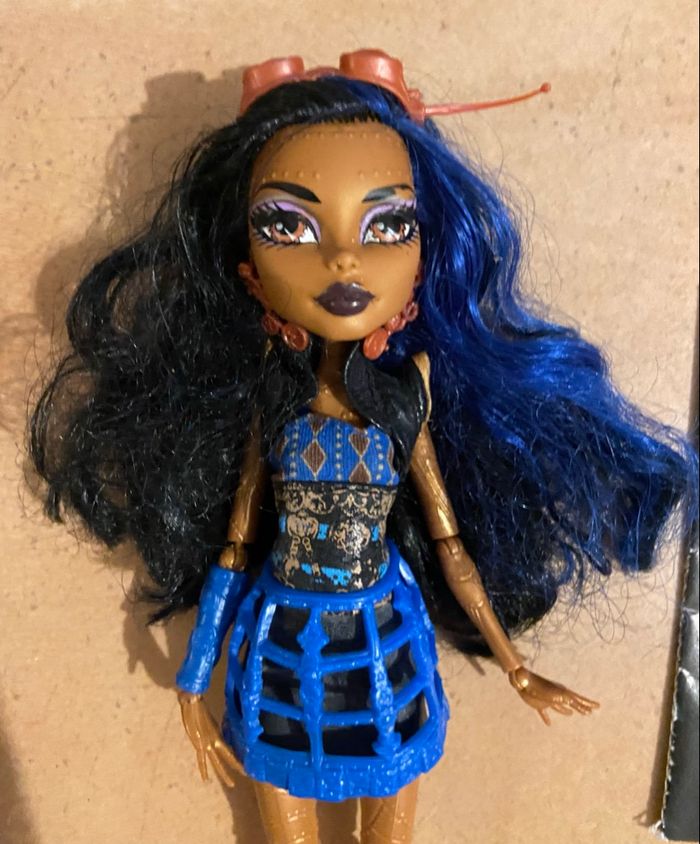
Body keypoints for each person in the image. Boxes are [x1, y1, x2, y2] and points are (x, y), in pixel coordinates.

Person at [30, 51, 697, 844]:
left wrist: (516, 667)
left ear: (424, 259)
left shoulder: (404, 399)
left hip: (386, 658)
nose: (344, 259)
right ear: (248, 271)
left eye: (388, 225)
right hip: (281, 654)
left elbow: (449, 546)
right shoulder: (273, 401)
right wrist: (192, 677)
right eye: (288, 225)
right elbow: (237, 544)